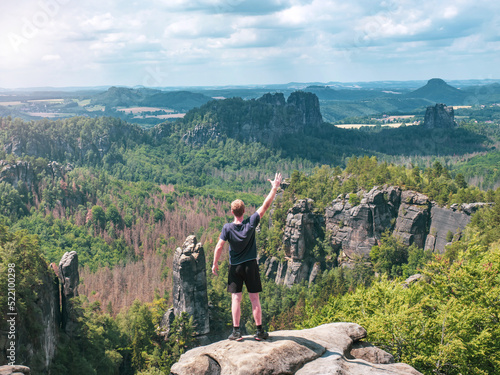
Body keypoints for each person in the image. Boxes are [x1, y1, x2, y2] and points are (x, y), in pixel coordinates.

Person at [212, 173, 282, 341]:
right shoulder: (251, 223)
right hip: (251, 265)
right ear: (244, 211)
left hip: (234, 267)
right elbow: (265, 205)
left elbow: (219, 246)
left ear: (232, 212)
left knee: (236, 298)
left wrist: (214, 264)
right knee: (254, 298)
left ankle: (236, 332)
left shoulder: (227, 228)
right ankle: (259, 331)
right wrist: (274, 187)